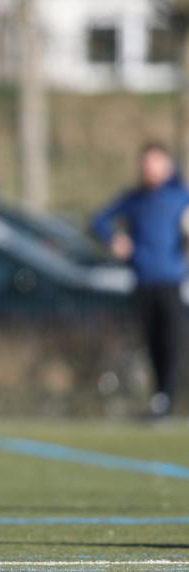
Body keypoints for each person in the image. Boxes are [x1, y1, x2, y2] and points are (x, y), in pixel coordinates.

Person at [92, 142, 189, 417]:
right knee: (153, 341)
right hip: (144, 280)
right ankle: (160, 399)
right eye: (147, 163)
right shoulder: (134, 200)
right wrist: (114, 239)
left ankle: (168, 398)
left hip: (174, 282)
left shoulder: (180, 197)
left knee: (173, 340)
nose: (151, 169)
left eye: (156, 163)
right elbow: (99, 220)